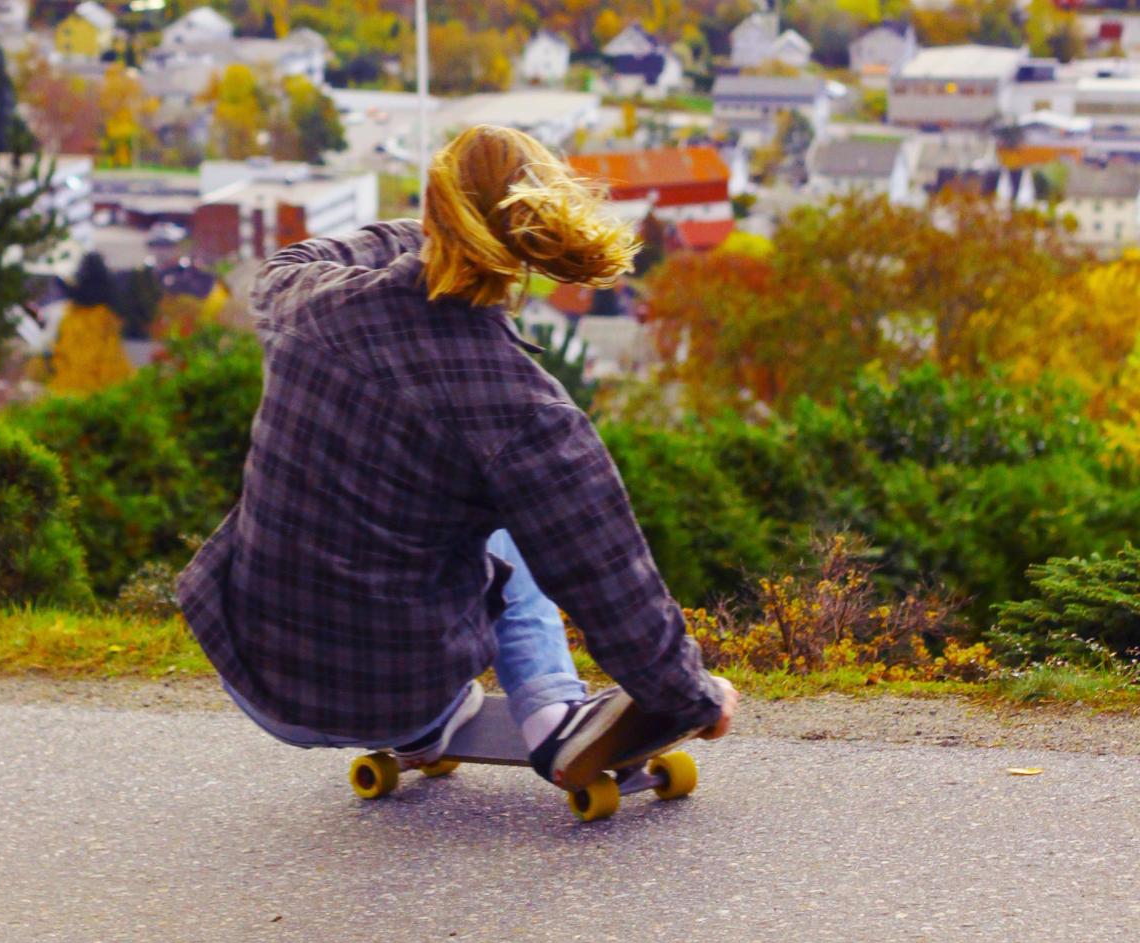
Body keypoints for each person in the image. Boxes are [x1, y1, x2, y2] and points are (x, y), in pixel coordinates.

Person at [176, 124, 738, 791]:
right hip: (401, 687)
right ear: (538, 231)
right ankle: (551, 715)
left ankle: (423, 734)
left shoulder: (307, 302)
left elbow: (289, 262)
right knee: (519, 511)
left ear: (435, 209)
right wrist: (693, 695)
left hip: (255, 670)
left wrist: (432, 232)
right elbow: (611, 579)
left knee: (420, 489)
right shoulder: (523, 413)